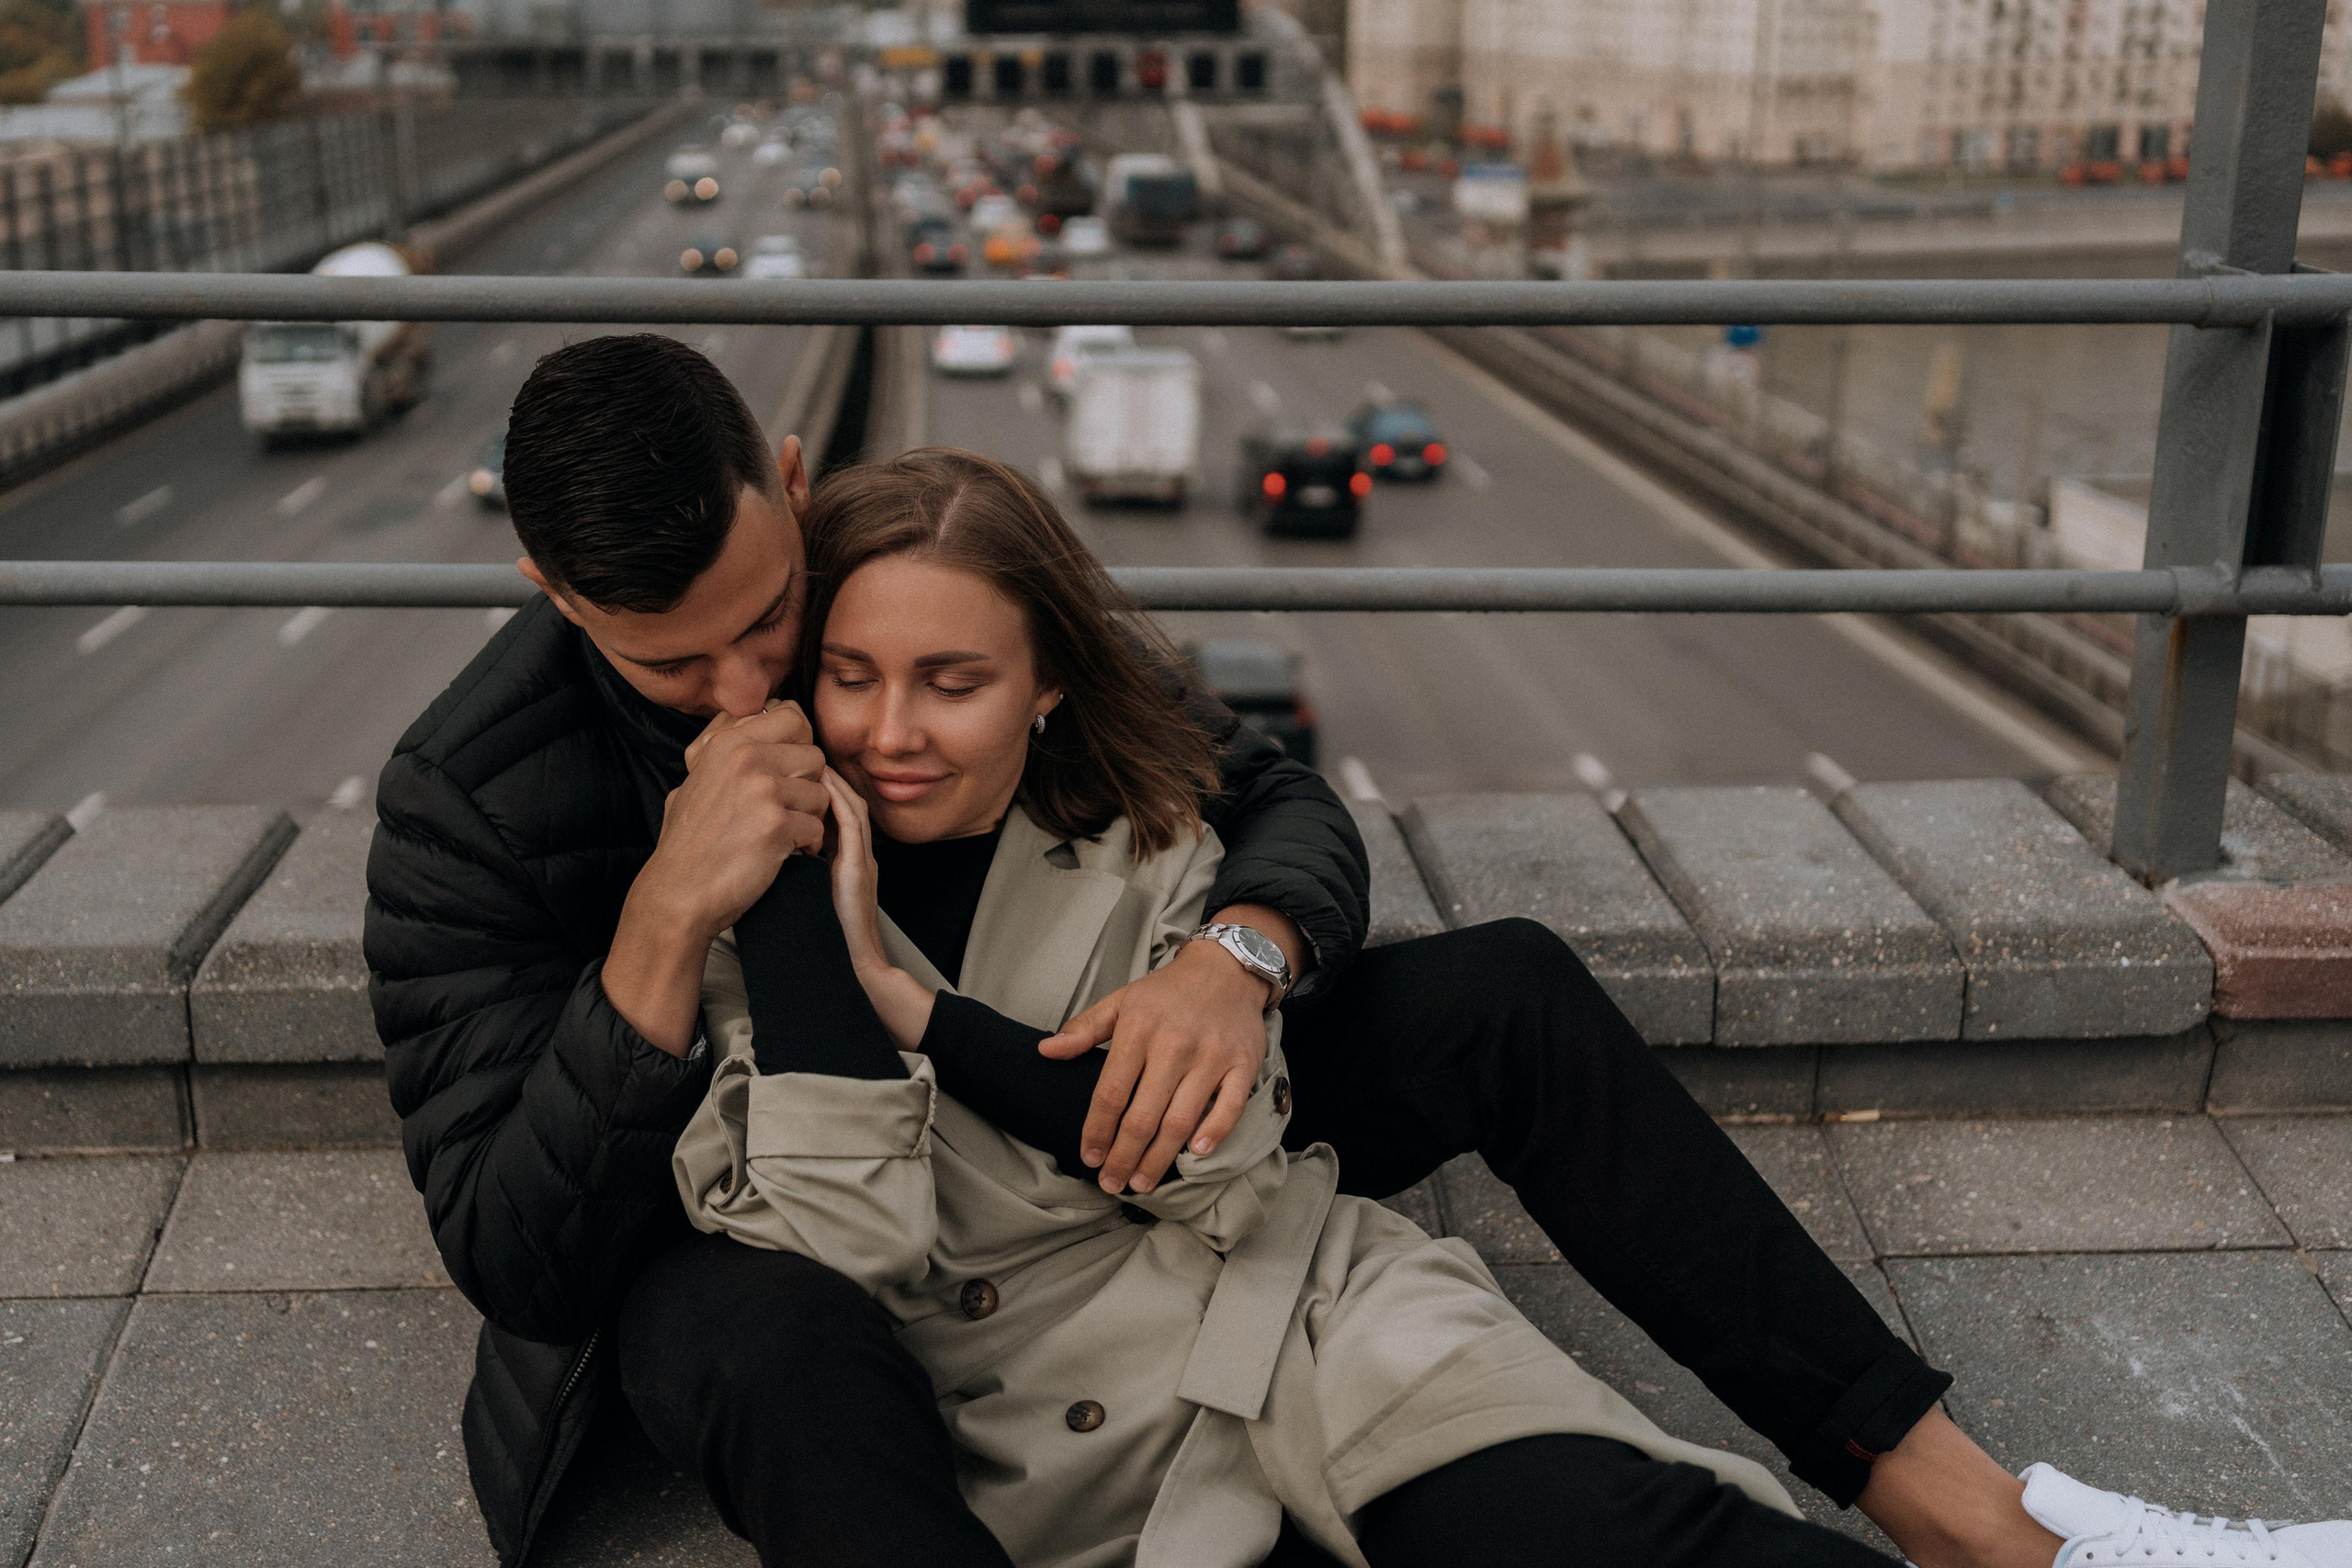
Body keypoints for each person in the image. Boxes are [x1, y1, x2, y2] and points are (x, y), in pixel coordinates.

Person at [365, 335, 2349, 1568]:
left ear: (792, 497)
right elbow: (520, 1251)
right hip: (753, 1228)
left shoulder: (903, 592)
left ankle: (1943, 1495)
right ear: (553, 592)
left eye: (770, 617)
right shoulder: (475, 794)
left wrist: (1235, 950)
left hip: (1132, 1171)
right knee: (744, 1329)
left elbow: (1253, 783)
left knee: (1504, 991)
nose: (762, 687)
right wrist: (658, 926)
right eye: (670, 660)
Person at [673, 446, 1883, 1566]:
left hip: (1310, 1324)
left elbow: (1228, 1165)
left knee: (1629, 1534)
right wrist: (810, 939)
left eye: (953, 683)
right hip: (1054, 1432)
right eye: (850, 676)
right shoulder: (749, 897)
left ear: (1047, 686)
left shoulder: (1150, 827)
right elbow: (843, 1250)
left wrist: (919, 1011)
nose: (892, 733)